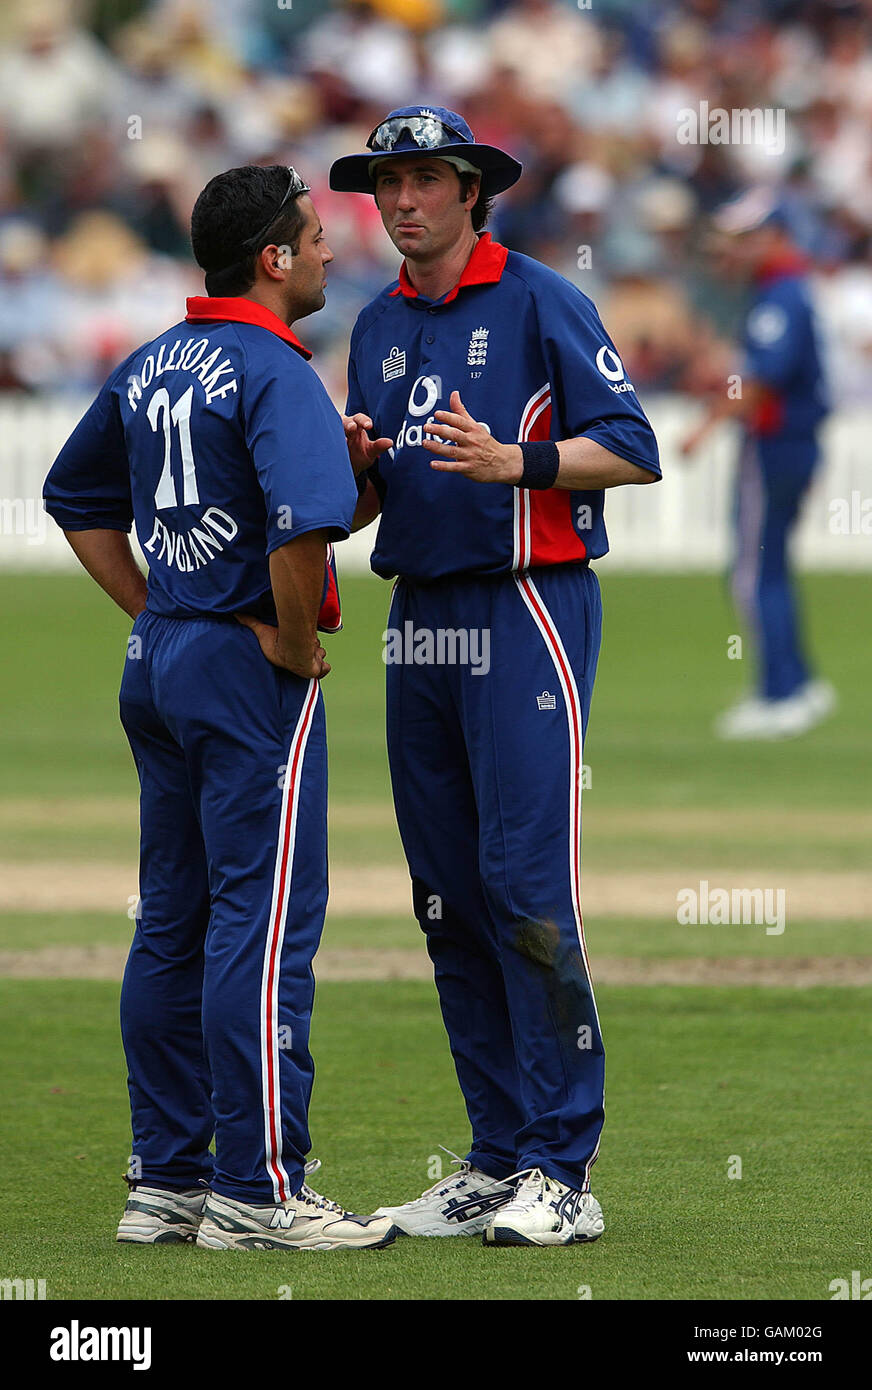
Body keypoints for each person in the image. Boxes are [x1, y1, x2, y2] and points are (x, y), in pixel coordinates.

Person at [43, 164, 397, 1253]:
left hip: (161, 663)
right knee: (265, 922)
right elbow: (295, 530)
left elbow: (75, 496)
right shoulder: (278, 367)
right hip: (248, 672)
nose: (335, 249)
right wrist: (292, 642)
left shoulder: (154, 359)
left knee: (172, 920)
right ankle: (258, 1188)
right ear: (272, 259)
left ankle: (168, 1182)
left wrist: (160, 611)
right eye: (316, 234)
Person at [330, 106, 661, 1247]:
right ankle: (492, 1154)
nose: (401, 201)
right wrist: (361, 476)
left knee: (524, 888)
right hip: (418, 615)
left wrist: (515, 459)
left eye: (423, 180)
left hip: (525, 608)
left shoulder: (539, 299)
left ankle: (563, 1168)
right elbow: (374, 501)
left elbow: (630, 444)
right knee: (445, 899)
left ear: (472, 189)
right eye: (386, 183)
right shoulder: (373, 323)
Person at [681, 187, 836, 739]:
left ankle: (781, 694)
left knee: (753, 572)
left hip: (774, 445)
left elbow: (761, 382)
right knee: (769, 567)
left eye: (750, 238)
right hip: (792, 442)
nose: (739, 250)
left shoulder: (781, 295)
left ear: (777, 237)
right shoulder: (784, 291)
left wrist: (701, 430)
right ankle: (795, 680)